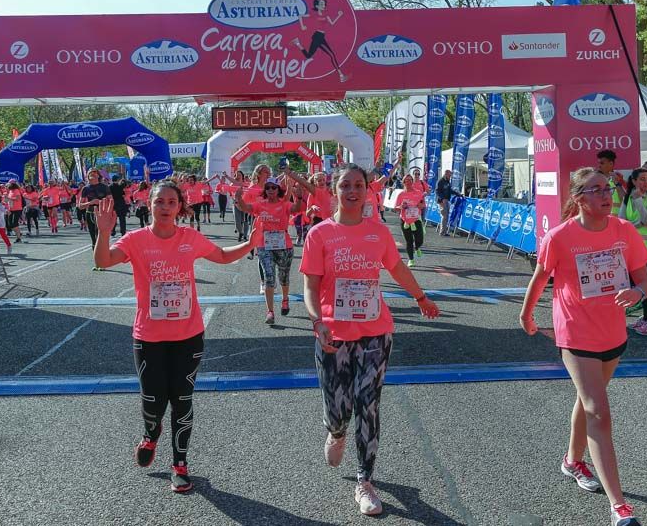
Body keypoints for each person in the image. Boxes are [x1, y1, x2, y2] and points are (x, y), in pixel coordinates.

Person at [92, 183, 257, 493]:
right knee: (154, 399)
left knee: (181, 400)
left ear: (180, 206)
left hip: (188, 334)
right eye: (160, 202)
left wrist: (251, 243)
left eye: (172, 202)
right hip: (149, 336)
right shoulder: (137, 240)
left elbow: (221, 256)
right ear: (149, 205)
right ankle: (150, 436)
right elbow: (104, 261)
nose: (166, 207)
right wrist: (103, 231)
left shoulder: (188, 238)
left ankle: (180, 464)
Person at [300, 163, 439, 516]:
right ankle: (336, 430)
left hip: (376, 332)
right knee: (338, 407)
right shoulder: (319, 235)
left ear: (367, 190)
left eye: (359, 184)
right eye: (345, 184)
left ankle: (365, 480)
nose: (352, 190)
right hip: (332, 333)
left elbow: (397, 269)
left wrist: (421, 298)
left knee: (369, 403)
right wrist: (317, 321)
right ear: (334, 190)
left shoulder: (377, 232)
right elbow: (311, 285)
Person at [520, 167, 647, 526]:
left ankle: (572, 460)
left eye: (606, 187)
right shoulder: (560, 237)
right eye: (594, 190)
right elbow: (540, 278)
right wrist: (526, 316)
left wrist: (637, 292)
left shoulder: (624, 231)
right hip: (575, 334)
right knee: (598, 409)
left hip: (613, 335)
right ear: (578, 198)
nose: (605, 194)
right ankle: (620, 506)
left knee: (586, 400)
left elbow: (646, 280)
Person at [234, 177, 302, 324]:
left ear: (278, 190)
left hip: (284, 245)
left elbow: (297, 209)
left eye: (274, 187)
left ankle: (285, 299)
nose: (271, 190)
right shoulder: (260, 204)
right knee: (268, 276)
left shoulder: (284, 204)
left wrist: (299, 195)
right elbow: (246, 208)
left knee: (283, 277)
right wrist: (238, 198)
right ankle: (270, 311)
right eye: (268, 187)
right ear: (265, 190)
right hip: (264, 245)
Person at [618, 168, 647, 336]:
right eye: (642, 179)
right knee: (640, 284)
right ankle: (646, 317)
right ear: (634, 181)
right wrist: (634, 222)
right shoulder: (627, 198)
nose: (645, 182)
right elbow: (621, 220)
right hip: (634, 248)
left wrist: (639, 202)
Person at [292, 0, 347, 83]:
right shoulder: (313, 14)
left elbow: (332, 23)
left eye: (324, 4)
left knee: (310, 55)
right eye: (321, 4)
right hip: (317, 37)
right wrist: (302, 26)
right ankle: (341, 76)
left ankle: (297, 43)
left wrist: (339, 16)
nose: (323, 5)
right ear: (317, 5)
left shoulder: (326, 14)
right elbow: (300, 16)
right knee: (331, 55)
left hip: (321, 37)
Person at [78, 169, 111, 269]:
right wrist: (90, 203)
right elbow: (80, 205)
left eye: (94, 173)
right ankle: (97, 263)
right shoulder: (85, 188)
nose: (92, 174)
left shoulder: (104, 187)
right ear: (88, 176)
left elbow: (111, 200)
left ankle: (104, 262)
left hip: (101, 214)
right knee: (93, 238)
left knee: (100, 238)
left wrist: (102, 203)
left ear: (98, 176)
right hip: (90, 213)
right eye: (90, 173)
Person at [395, 174, 427, 267]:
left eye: (410, 180)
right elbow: (396, 208)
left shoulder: (418, 193)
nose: (408, 182)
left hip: (416, 219)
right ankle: (411, 260)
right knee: (409, 241)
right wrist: (401, 207)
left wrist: (421, 206)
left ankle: (417, 248)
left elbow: (423, 204)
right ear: (403, 182)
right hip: (405, 220)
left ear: (412, 182)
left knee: (420, 239)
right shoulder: (401, 194)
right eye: (406, 180)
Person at [596, 150, 626, 215]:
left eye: (602, 163)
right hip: (601, 219)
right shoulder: (595, 180)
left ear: (611, 164)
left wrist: (617, 183)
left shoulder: (620, 179)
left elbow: (625, 200)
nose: (599, 166)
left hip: (618, 219)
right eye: (598, 163)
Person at [436, 169, 453, 236]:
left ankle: (444, 231)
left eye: (450, 175)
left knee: (446, 216)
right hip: (442, 201)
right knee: (444, 216)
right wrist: (442, 198)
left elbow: (450, 190)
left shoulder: (447, 181)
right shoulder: (440, 181)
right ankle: (442, 232)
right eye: (449, 175)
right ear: (446, 174)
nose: (450, 176)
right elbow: (437, 191)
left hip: (446, 200)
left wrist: (458, 194)